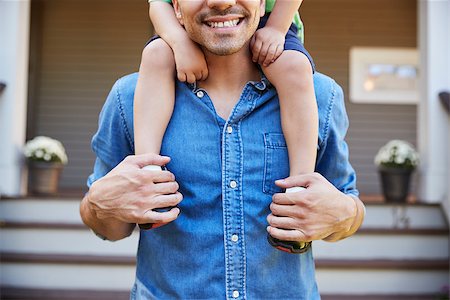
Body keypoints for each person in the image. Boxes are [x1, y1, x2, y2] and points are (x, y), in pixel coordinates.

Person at [80, 0, 365, 298]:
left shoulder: (319, 96)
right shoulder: (129, 98)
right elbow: (109, 226)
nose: (222, 1)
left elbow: (349, 206)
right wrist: (99, 204)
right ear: (175, 6)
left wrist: (343, 214)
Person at [134, 0, 317, 189]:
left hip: (273, 19)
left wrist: (276, 29)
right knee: (155, 54)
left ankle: (301, 182)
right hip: (182, 27)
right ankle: (147, 172)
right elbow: (159, 4)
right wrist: (180, 43)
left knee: (293, 65)